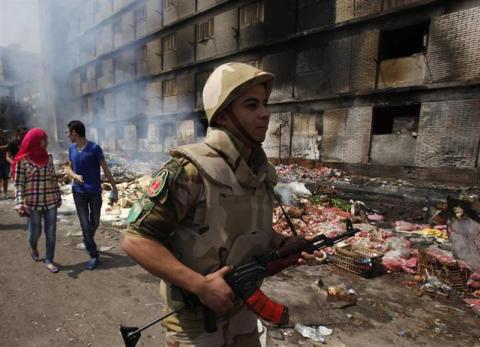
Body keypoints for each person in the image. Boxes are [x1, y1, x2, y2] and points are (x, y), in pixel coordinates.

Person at [122, 62, 320, 346]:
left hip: (243, 311)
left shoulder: (260, 172)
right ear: (224, 115)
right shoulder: (189, 171)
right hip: (195, 322)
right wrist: (200, 286)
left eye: (264, 103)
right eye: (251, 105)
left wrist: (278, 242)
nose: (265, 113)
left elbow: (242, 227)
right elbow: (135, 240)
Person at [65, 120, 118, 270]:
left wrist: (115, 187)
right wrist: (75, 175)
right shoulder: (71, 149)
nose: (68, 135)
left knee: (94, 221)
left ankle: (87, 239)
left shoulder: (94, 148)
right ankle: (94, 254)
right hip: (78, 192)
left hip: (94, 192)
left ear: (74, 132)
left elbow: (105, 169)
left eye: (68, 132)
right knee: (85, 223)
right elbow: (68, 169)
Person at [13, 128, 62, 273]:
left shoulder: (49, 158)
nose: (46, 142)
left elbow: (53, 179)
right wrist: (19, 202)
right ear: (34, 140)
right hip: (32, 203)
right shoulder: (22, 161)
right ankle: (33, 245)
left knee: (51, 232)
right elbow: (19, 183)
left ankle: (49, 260)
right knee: (35, 232)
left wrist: (58, 197)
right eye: (44, 139)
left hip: (50, 201)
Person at [0, 129, 9, 199]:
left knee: (5, 178)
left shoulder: (5, 140)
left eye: (2, 132)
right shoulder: (6, 143)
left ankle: (5, 192)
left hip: (5, 162)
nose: (1, 134)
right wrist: (5, 147)